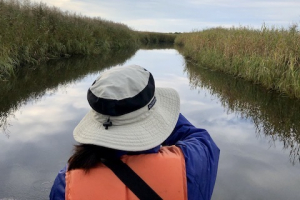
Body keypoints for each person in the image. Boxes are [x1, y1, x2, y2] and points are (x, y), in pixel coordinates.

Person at [50, 64, 220, 200]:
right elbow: (197, 137)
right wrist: (159, 111)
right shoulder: (191, 164)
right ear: (153, 118)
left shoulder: (66, 183)